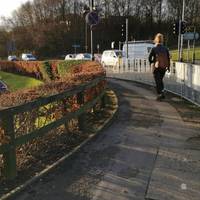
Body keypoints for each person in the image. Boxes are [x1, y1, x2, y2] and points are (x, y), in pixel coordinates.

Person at [149, 33, 170, 100]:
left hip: (156, 67)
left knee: (157, 81)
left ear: (156, 39)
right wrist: (168, 67)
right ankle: (162, 92)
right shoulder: (166, 49)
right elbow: (168, 58)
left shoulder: (154, 48)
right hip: (163, 67)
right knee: (160, 80)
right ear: (162, 40)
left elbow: (149, 58)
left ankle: (160, 94)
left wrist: (152, 62)